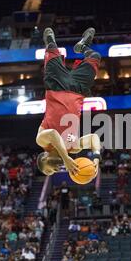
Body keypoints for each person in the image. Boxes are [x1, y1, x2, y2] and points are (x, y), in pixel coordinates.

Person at [35, 27, 102, 176]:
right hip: (78, 90)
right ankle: (83, 46)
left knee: (52, 49)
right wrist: (96, 157)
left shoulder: (42, 141)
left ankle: (50, 41)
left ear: (44, 158)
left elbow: (53, 133)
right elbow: (93, 138)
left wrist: (65, 158)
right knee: (95, 56)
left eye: (50, 170)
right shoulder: (74, 147)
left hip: (56, 87)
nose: (56, 170)